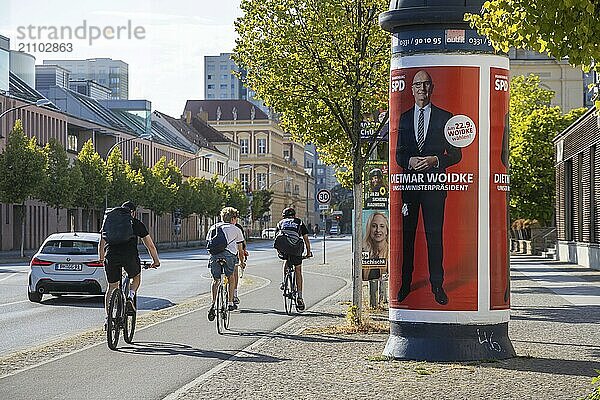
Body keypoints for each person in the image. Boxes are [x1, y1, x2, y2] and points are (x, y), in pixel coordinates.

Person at [396, 70, 462, 305]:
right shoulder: (403, 118)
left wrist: (436, 160)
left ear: (431, 88)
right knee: (408, 238)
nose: (422, 88)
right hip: (410, 187)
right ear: (411, 89)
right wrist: (409, 161)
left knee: (435, 238)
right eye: (417, 85)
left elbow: (456, 155)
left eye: (426, 84)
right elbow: (398, 156)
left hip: (435, 187)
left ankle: (437, 285)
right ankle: (405, 284)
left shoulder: (445, 117)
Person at [98, 201, 160, 326]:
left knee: (112, 287)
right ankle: (131, 296)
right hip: (129, 256)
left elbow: (101, 242)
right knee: (135, 276)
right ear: (133, 212)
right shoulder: (135, 223)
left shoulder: (110, 223)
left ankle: (107, 319)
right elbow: (150, 245)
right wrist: (155, 261)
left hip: (111, 256)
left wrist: (101, 258)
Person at [206, 207, 246, 321]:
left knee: (216, 280)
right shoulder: (236, 229)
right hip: (229, 256)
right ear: (233, 218)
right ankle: (230, 302)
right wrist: (242, 262)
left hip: (215, 256)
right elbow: (240, 250)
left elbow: (208, 243)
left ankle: (213, 304)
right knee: (231, 277)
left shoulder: (213, 227)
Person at [275, 207, 312, 311]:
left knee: (287, 261)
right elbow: (306, 240)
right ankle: (300, 297)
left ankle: (284, 282)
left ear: (284, 216)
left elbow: (276, 238)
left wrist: (279, 252)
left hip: (283, 247)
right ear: (294, 215)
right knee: (298, 269)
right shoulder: (299, 222)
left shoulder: (280, 223)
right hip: (296, 248)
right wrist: (308, 253)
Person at [362, 212, 389, 281]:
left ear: (386, 231)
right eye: (374, 226)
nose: (378, 230)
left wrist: (383, 279)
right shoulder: (363, 251)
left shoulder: (391, 252)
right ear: (369, 229)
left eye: (382, 226)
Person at [233, 220, 248, 305]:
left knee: (217, 279)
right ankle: (234, 295)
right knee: (234, 274)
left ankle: (214, 302)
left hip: (218, 255)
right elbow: (242, 244)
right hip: (233, 254)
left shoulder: (217, 226)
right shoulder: (238, 227)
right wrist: (242, 260)